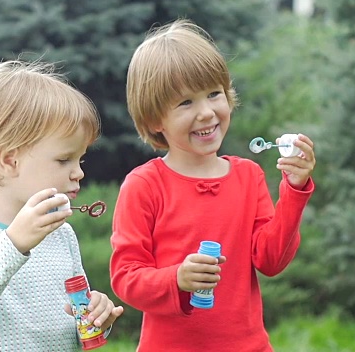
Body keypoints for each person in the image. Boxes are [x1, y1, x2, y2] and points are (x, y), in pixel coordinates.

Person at [110, 19, 315, 351]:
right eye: (185, 103)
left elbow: (271, 260)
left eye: (213, 94)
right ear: (154, 120)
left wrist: (295, 189)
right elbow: (126, 277)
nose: (206, 112)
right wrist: (176, 278)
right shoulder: (144, 185)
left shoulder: (248, 177)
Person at [0, 59, 124, 351]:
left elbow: (76, 329)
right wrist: (13, 244)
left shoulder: (62, 234)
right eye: (64, 160)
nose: (79, 172)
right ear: (10, 160)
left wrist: (97, 318)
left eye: (80, 159)